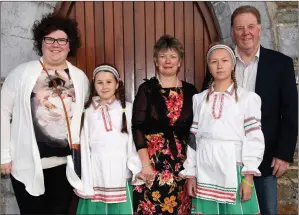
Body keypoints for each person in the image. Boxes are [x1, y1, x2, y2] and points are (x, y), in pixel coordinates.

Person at [201, 6, 298, 215]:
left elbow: (290, 112)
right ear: (233, 32)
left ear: (260, 29)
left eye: (251, 27)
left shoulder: (281, 64)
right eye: (240, 28)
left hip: (264, 159)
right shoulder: (220, 62)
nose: (246, 32)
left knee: (265, 211)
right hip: (222, 161)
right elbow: (205, 110)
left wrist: (284, 154)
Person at [1, 13, 89, 214]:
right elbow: (2, 113)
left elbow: (81, 117)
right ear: (41, 42)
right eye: (49, 39)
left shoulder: (80, 78)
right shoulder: (21, 73)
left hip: (64, 165)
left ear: (70, 45)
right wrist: (3, 155)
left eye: (61, 40)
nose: (55, 44)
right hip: (26, 162)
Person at [181, 43, 265, 214]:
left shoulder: (248, 98)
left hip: (233, 169)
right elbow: (193, 139)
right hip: (205, 168)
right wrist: (190, 173)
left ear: (232, 64)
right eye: (214, 62)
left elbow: (254, 138)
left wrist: (248, 177)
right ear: (208, 66)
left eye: (224, 60)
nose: (219, 66)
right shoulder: (199, 99)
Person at [132, 35, 198, 214]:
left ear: (179, 62)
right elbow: (137, 127)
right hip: (152, 165)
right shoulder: (146, 89)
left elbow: (196, 131)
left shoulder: (191, 91)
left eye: (173, 56)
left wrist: (193, 168)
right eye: (162, 56)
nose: (167, 61)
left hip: (182, 167)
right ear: (155, 60)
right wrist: (146, 165)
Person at [74, 65, 143, 214]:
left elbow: (132, 143)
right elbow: (84, 146)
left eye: (108, 82)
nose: (104, 86)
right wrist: (84, 176)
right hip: (95, 172)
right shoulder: (87, 111)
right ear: (94, 84)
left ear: (117, 84)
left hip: (119, 171)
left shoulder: (128, 109)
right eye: (100, 82)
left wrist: (136, 168)